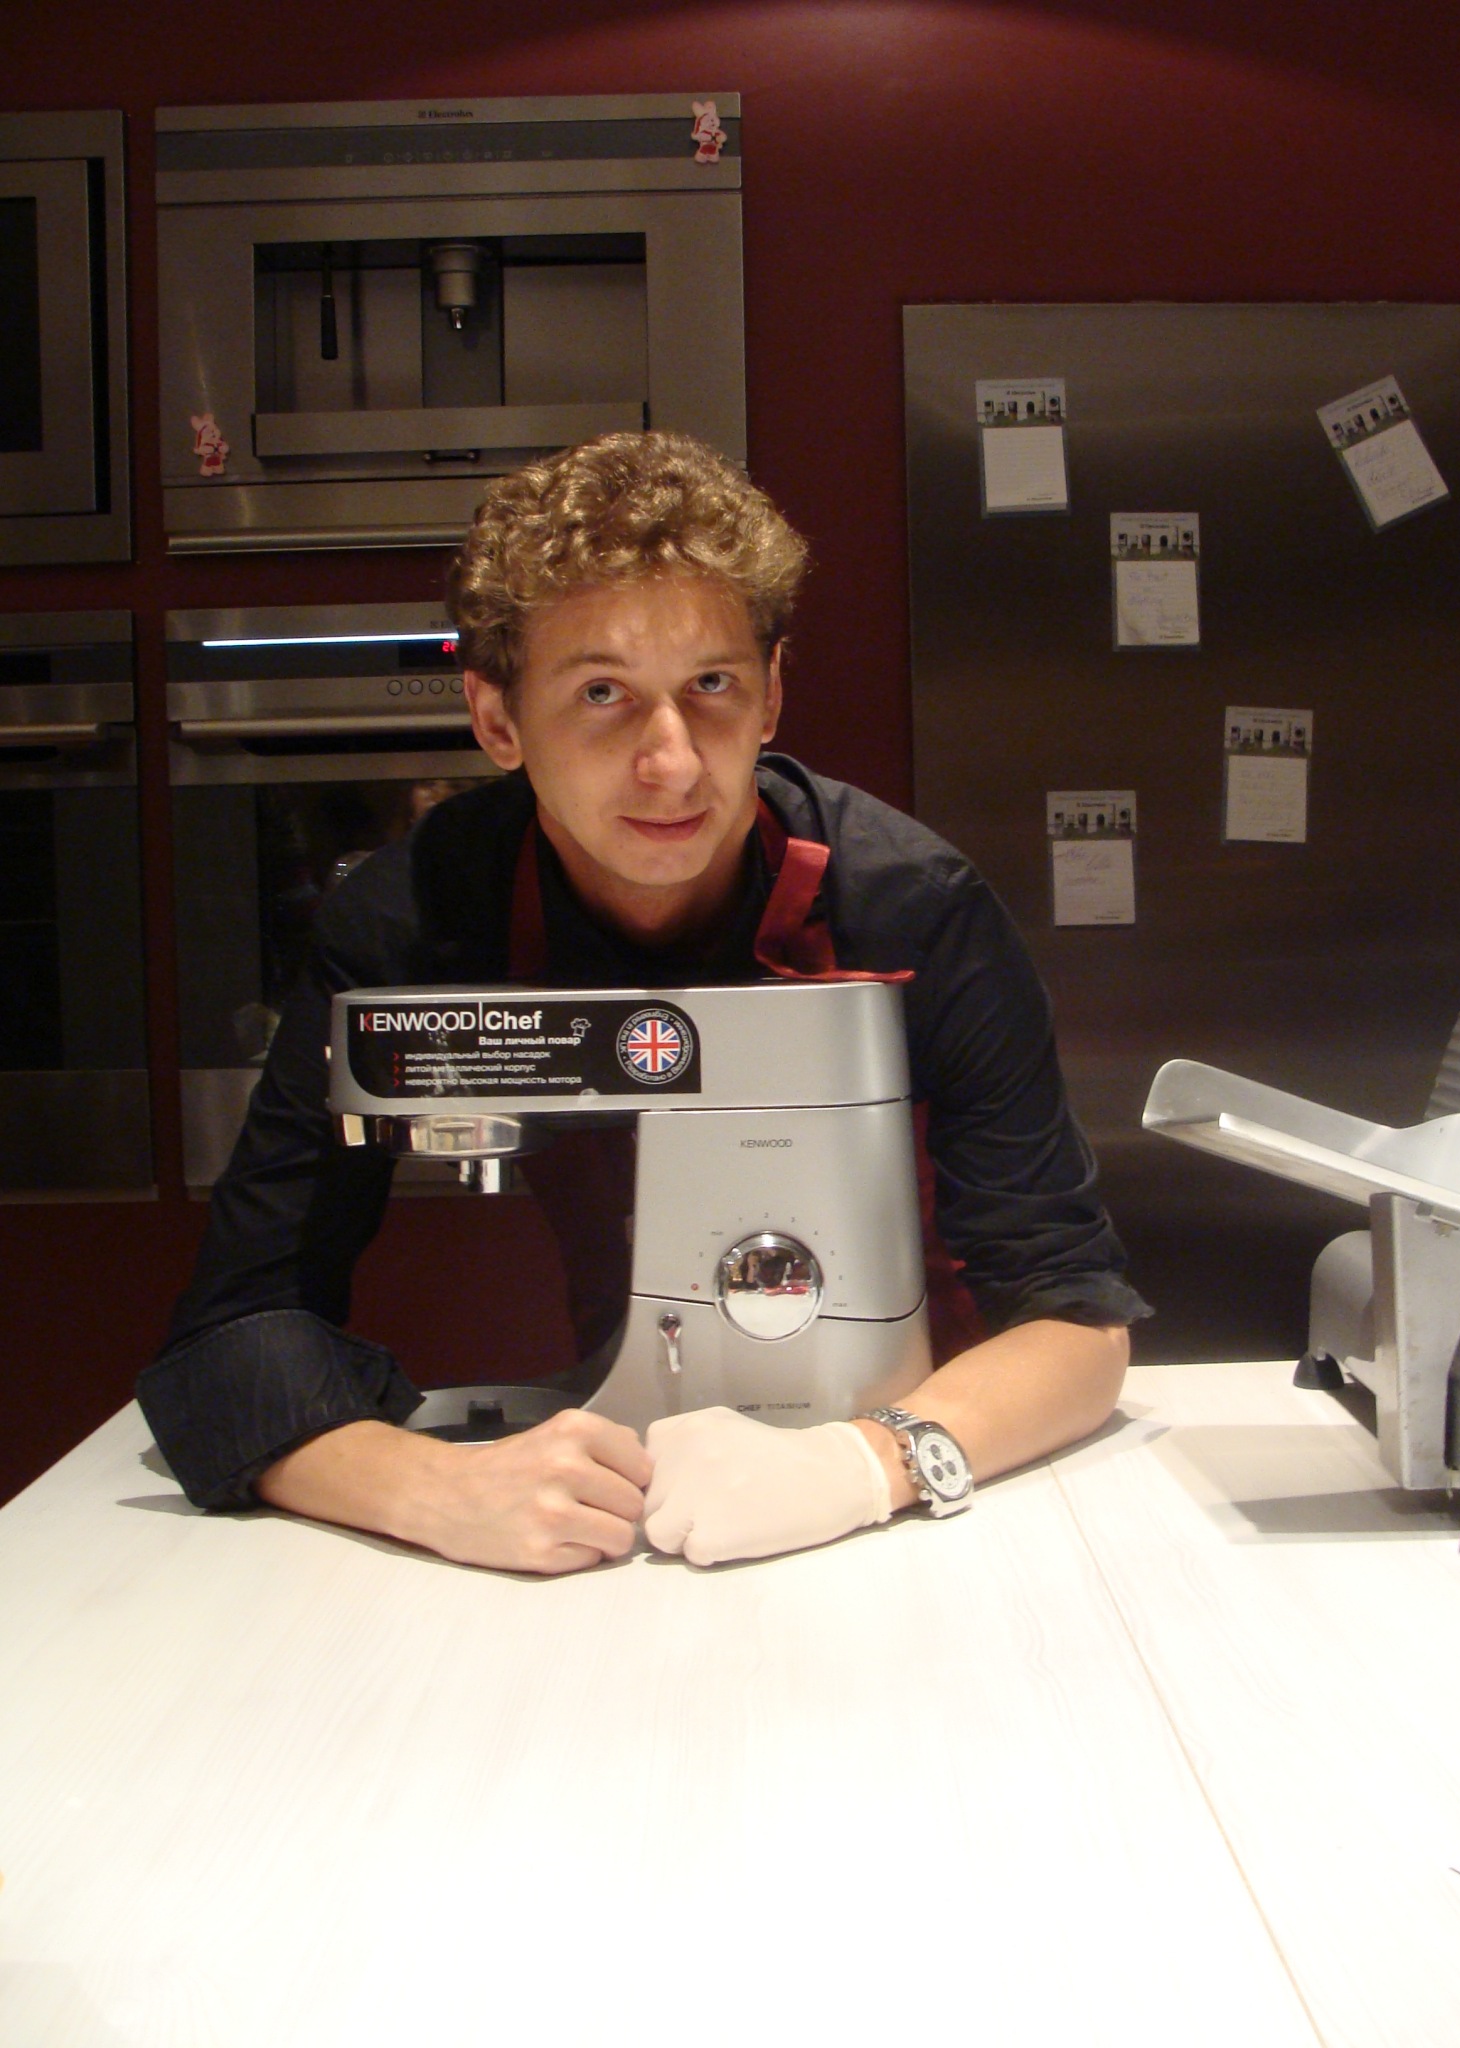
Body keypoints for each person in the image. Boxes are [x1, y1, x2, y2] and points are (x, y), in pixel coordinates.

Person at [140, 432, 1148, 1574]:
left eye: (712, 685)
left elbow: (1077, 1323)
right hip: (633, 1489)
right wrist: (436, 1487)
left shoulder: (914, 906)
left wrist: (863, 1466)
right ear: (496, 719)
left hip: (945, 1476)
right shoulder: (413, 921)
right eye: (602, 693)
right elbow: (231, 1338)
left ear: (772, 695)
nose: (671, 762)